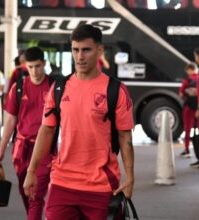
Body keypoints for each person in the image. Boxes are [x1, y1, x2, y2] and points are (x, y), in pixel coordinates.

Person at [23, 24, 135, 219]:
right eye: (75, 50)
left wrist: (130, 177)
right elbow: (47, 130)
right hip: (61, 183)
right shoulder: (59, 88)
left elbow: (125, 137)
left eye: (86, 50)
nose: (80, 56)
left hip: (100, 185)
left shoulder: (115, 90)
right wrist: (31, 171)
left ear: (99, 51)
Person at [0, 47, 53, 219]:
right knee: (25, 191)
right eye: (30, 67)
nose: (34, 71)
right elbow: (10, 121)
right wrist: (1, 150)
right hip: (20, 149)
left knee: (36, 194)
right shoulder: (18, 88)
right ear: (25, 66)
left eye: (38, 66)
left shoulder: (54, 87)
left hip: (45, 150)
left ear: (44, 64)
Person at [178, 63, 198, 158]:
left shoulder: (187, 81)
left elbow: (181, 93)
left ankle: (187, 150)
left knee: (188, 129)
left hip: (189, 107)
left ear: (190, 70)